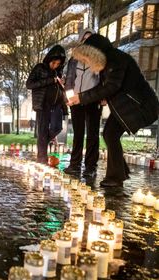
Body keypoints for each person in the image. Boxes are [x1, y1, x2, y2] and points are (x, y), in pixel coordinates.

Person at [67, 34, 159, 187]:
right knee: (110, 133)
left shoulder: (116, 60)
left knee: (110, 133)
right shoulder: (109, 62)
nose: (87, 63)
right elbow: (106, 87)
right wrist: (84, 97)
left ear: (94, 54)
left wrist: (81, 97)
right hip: (127, 106)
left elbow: (111, 86)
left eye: (87, 59)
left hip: (139, 105)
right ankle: (120, 171)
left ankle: (116, 177)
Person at [64, 29, 101, 177]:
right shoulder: (74, 59)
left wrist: (102, 97)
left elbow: (103, 80)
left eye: (90, 39)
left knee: (92, 134)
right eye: (85, 39)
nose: (87, 41)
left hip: (92, 99)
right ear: (81, 41)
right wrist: (69, 97)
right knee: (78, 134)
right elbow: (69, 79)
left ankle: (91, 167)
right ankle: (75, 164)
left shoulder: (99, 59)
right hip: (76, 100)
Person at [26, 44, 68, 164]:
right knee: (43, 130)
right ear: (50, 59)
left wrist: (62, 84)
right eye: (54, 63)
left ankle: (43, 142)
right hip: (43, 104)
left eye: (58, 64)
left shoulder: (59, 72)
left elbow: (61, 90)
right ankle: (42, 160)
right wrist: (50, 80)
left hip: (57, 105)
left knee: (57, 127)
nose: (55, 65)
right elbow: (29, 84)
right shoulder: (40, 68)